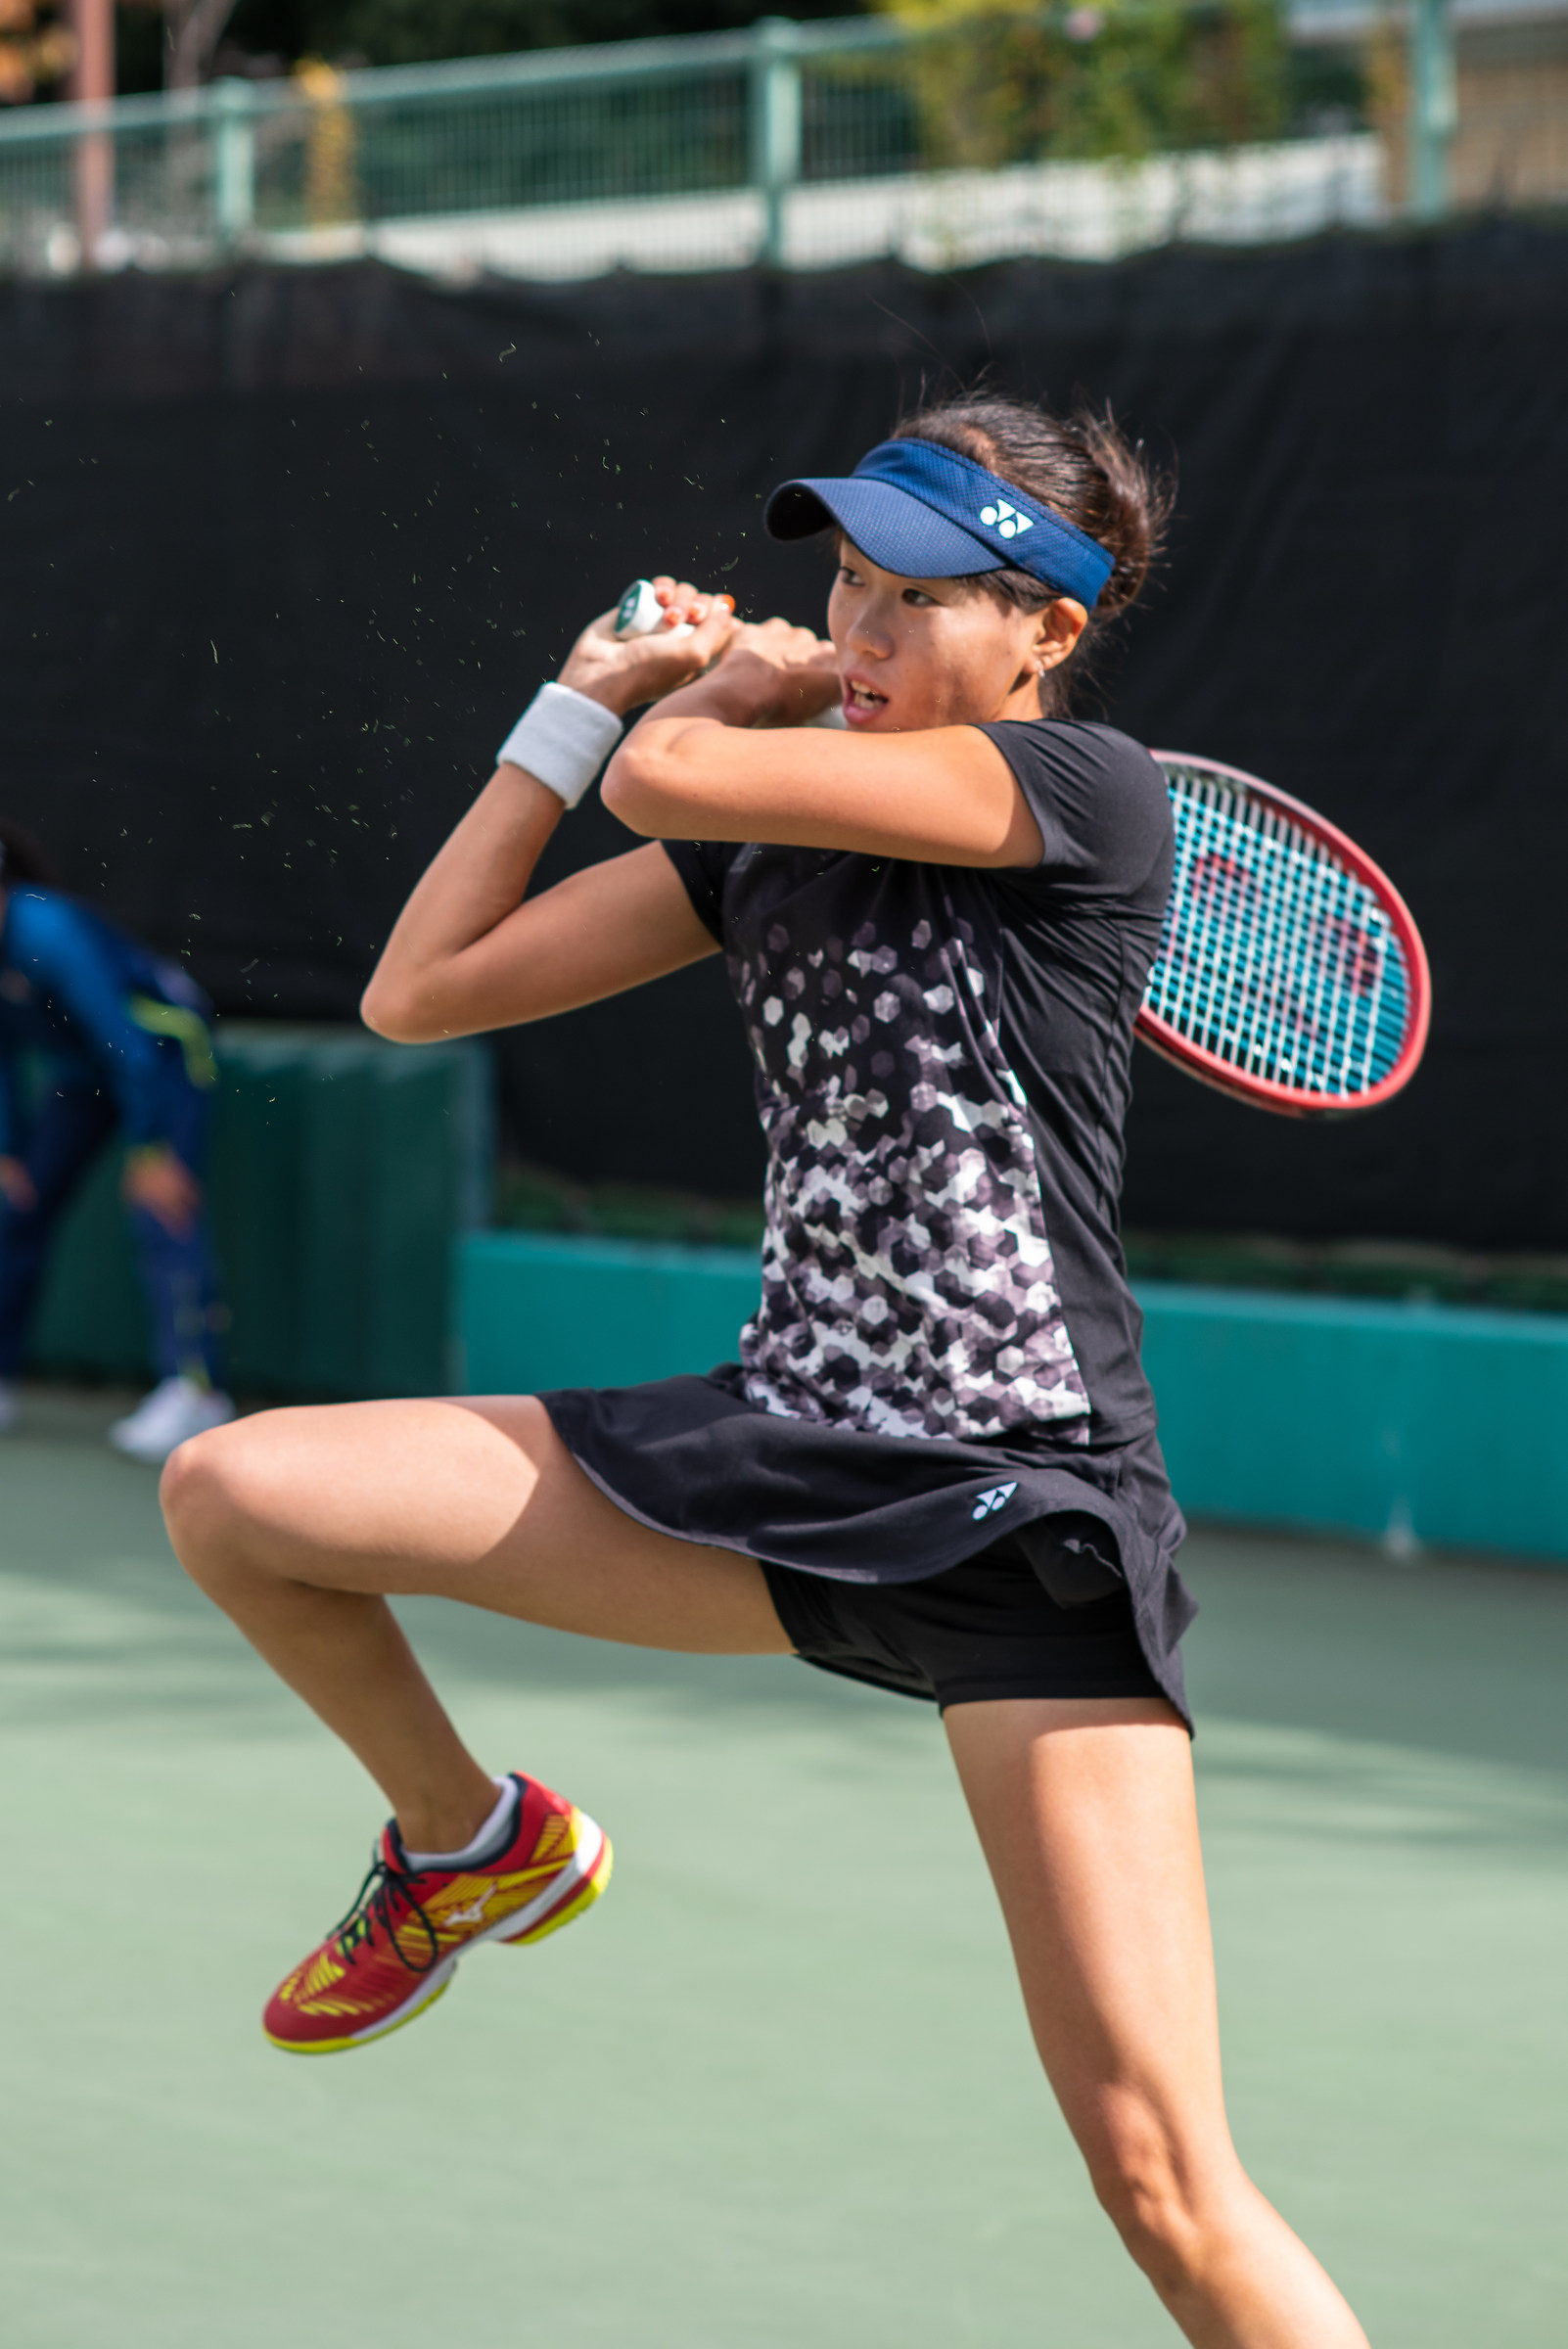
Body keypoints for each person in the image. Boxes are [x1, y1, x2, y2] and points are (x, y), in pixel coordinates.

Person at [159, 392, 1370, 2348]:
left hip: (1021, 1509)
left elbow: (673, 782)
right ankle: (476, 1848)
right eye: (846, 586)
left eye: (917, 599)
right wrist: (575, 704)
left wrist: (723, 695)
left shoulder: (1083, 790)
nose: (865, 632)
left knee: (1160, 2177)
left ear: (1047, 633)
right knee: (238, 1497)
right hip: (779, 1462)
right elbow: (418, 992)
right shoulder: (757, 839)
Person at [0, 819, 234, 1459]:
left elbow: (127, 1046)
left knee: (162, 1211)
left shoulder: (50, 932)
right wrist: (8, 1149)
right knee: (15, 1208)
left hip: (161, 1059)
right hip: (83, 1079)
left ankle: (197, 1392)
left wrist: (153, 1148)